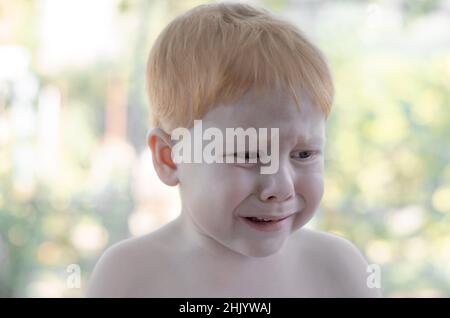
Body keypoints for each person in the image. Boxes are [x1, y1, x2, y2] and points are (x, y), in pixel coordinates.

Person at [87, 2, 381, 297]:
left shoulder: (339, 270)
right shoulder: (129, 277)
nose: (280, 186)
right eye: (247, 155)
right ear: (170, 158)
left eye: (303, 154)